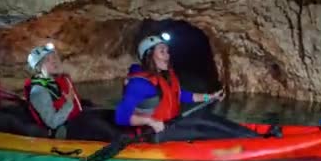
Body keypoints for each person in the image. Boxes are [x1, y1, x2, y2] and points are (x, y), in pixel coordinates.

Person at [115, 33, 282, 142]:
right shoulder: (139, 83)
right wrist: (150, 121)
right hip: (154, 133)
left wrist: (211, 97)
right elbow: (121, 116)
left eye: (167, 51)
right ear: (149, 56)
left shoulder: (165, 76)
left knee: (207, 118)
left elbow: (182, 96)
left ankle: (260, 137)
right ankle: (261, 141)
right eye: (162, 51)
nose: (168, 55)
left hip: (172, 123)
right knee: (201, 129)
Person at [23, 43, 122, 141]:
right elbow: (53, 122)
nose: (54, 61)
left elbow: (73, 104)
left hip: (76, 117)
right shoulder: (39, 92)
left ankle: (131, 133)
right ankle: (124, 144)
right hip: (62, 130)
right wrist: (69, 103)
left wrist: (88, 104)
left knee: (109, 114)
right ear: (39, 68)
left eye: (54, 58)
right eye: (47, 60)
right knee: (98, 126)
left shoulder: (58, 81)